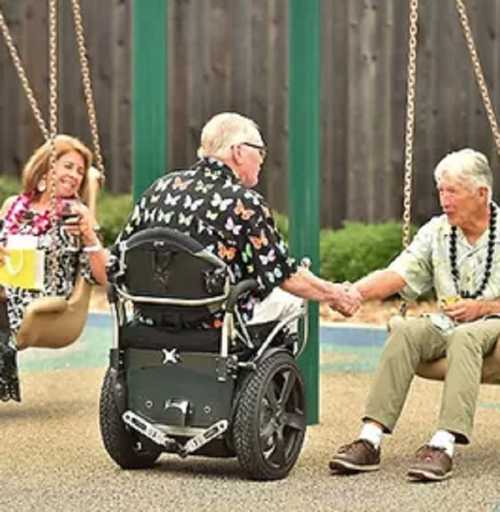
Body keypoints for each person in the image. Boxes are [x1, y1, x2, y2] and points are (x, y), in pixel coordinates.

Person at [329, 148, 500, 482]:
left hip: (493, 327)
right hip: (446, 323)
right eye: (441, 191)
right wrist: (354, 293)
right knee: (405, 329)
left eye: (453, 191)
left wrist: (484, 307)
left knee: (466, 335)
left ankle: (444, 444)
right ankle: (370, 438)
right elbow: (399, 274)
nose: (444, 200)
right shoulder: (438, 231)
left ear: (482, 194)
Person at [115, 111, 360, 334]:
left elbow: (118, 256)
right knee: (293, 303)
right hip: (214, 325)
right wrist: (334, 294)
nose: (262, 159)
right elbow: (283, 274)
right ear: (238, 151)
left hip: (149, 319)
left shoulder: (159, 189)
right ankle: (270, 379)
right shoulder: (244, 202)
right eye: (260, 151)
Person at [0, 135, 108, 402]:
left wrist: (89, 235)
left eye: (80, 171)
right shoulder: (14, 205)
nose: (75, 176)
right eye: (68, 166)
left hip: (42, 298)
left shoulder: (75, 215)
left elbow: (104, 276)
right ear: (47, 168)